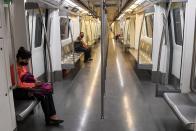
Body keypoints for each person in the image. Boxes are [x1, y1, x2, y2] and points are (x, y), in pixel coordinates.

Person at [14, 47, 64, 126]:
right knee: (42, 95)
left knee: (47, 91)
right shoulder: (13, 69)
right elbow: (19, 84)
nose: (27, 62)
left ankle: (53, 115)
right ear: (20, 58)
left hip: (28, 87)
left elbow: (28, 77)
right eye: (26, 60)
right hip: (20, 91)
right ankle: (48, 120)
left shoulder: (22, 66)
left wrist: (35, 81)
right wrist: (33, 85)